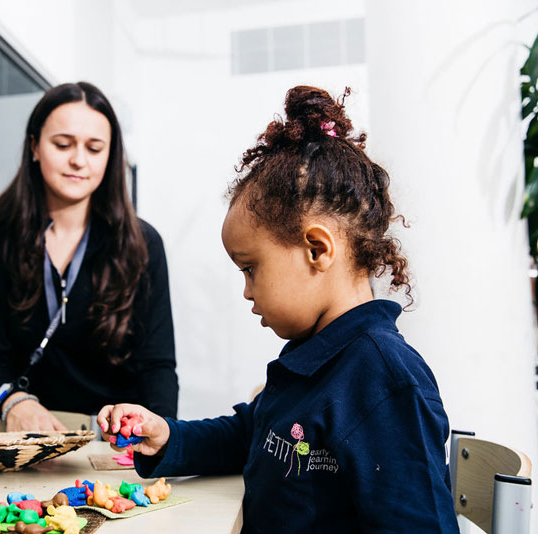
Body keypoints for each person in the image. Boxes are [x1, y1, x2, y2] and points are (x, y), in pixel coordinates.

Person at [98, 86, 458, 532]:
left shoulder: (385, 382)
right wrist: (168, 437)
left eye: (250, 269)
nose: (247, 292)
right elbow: (252, 433)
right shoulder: (312, 356)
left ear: (316, 249)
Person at [0, 82, 178, 431]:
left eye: (94, 148)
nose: (78, 160)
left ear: (110, 156)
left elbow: (157, 365)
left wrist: (159, 435)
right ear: (34, 146)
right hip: (23, 436)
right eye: (63, 144)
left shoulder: (142, 243)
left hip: (111, 443)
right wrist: (14, 403)